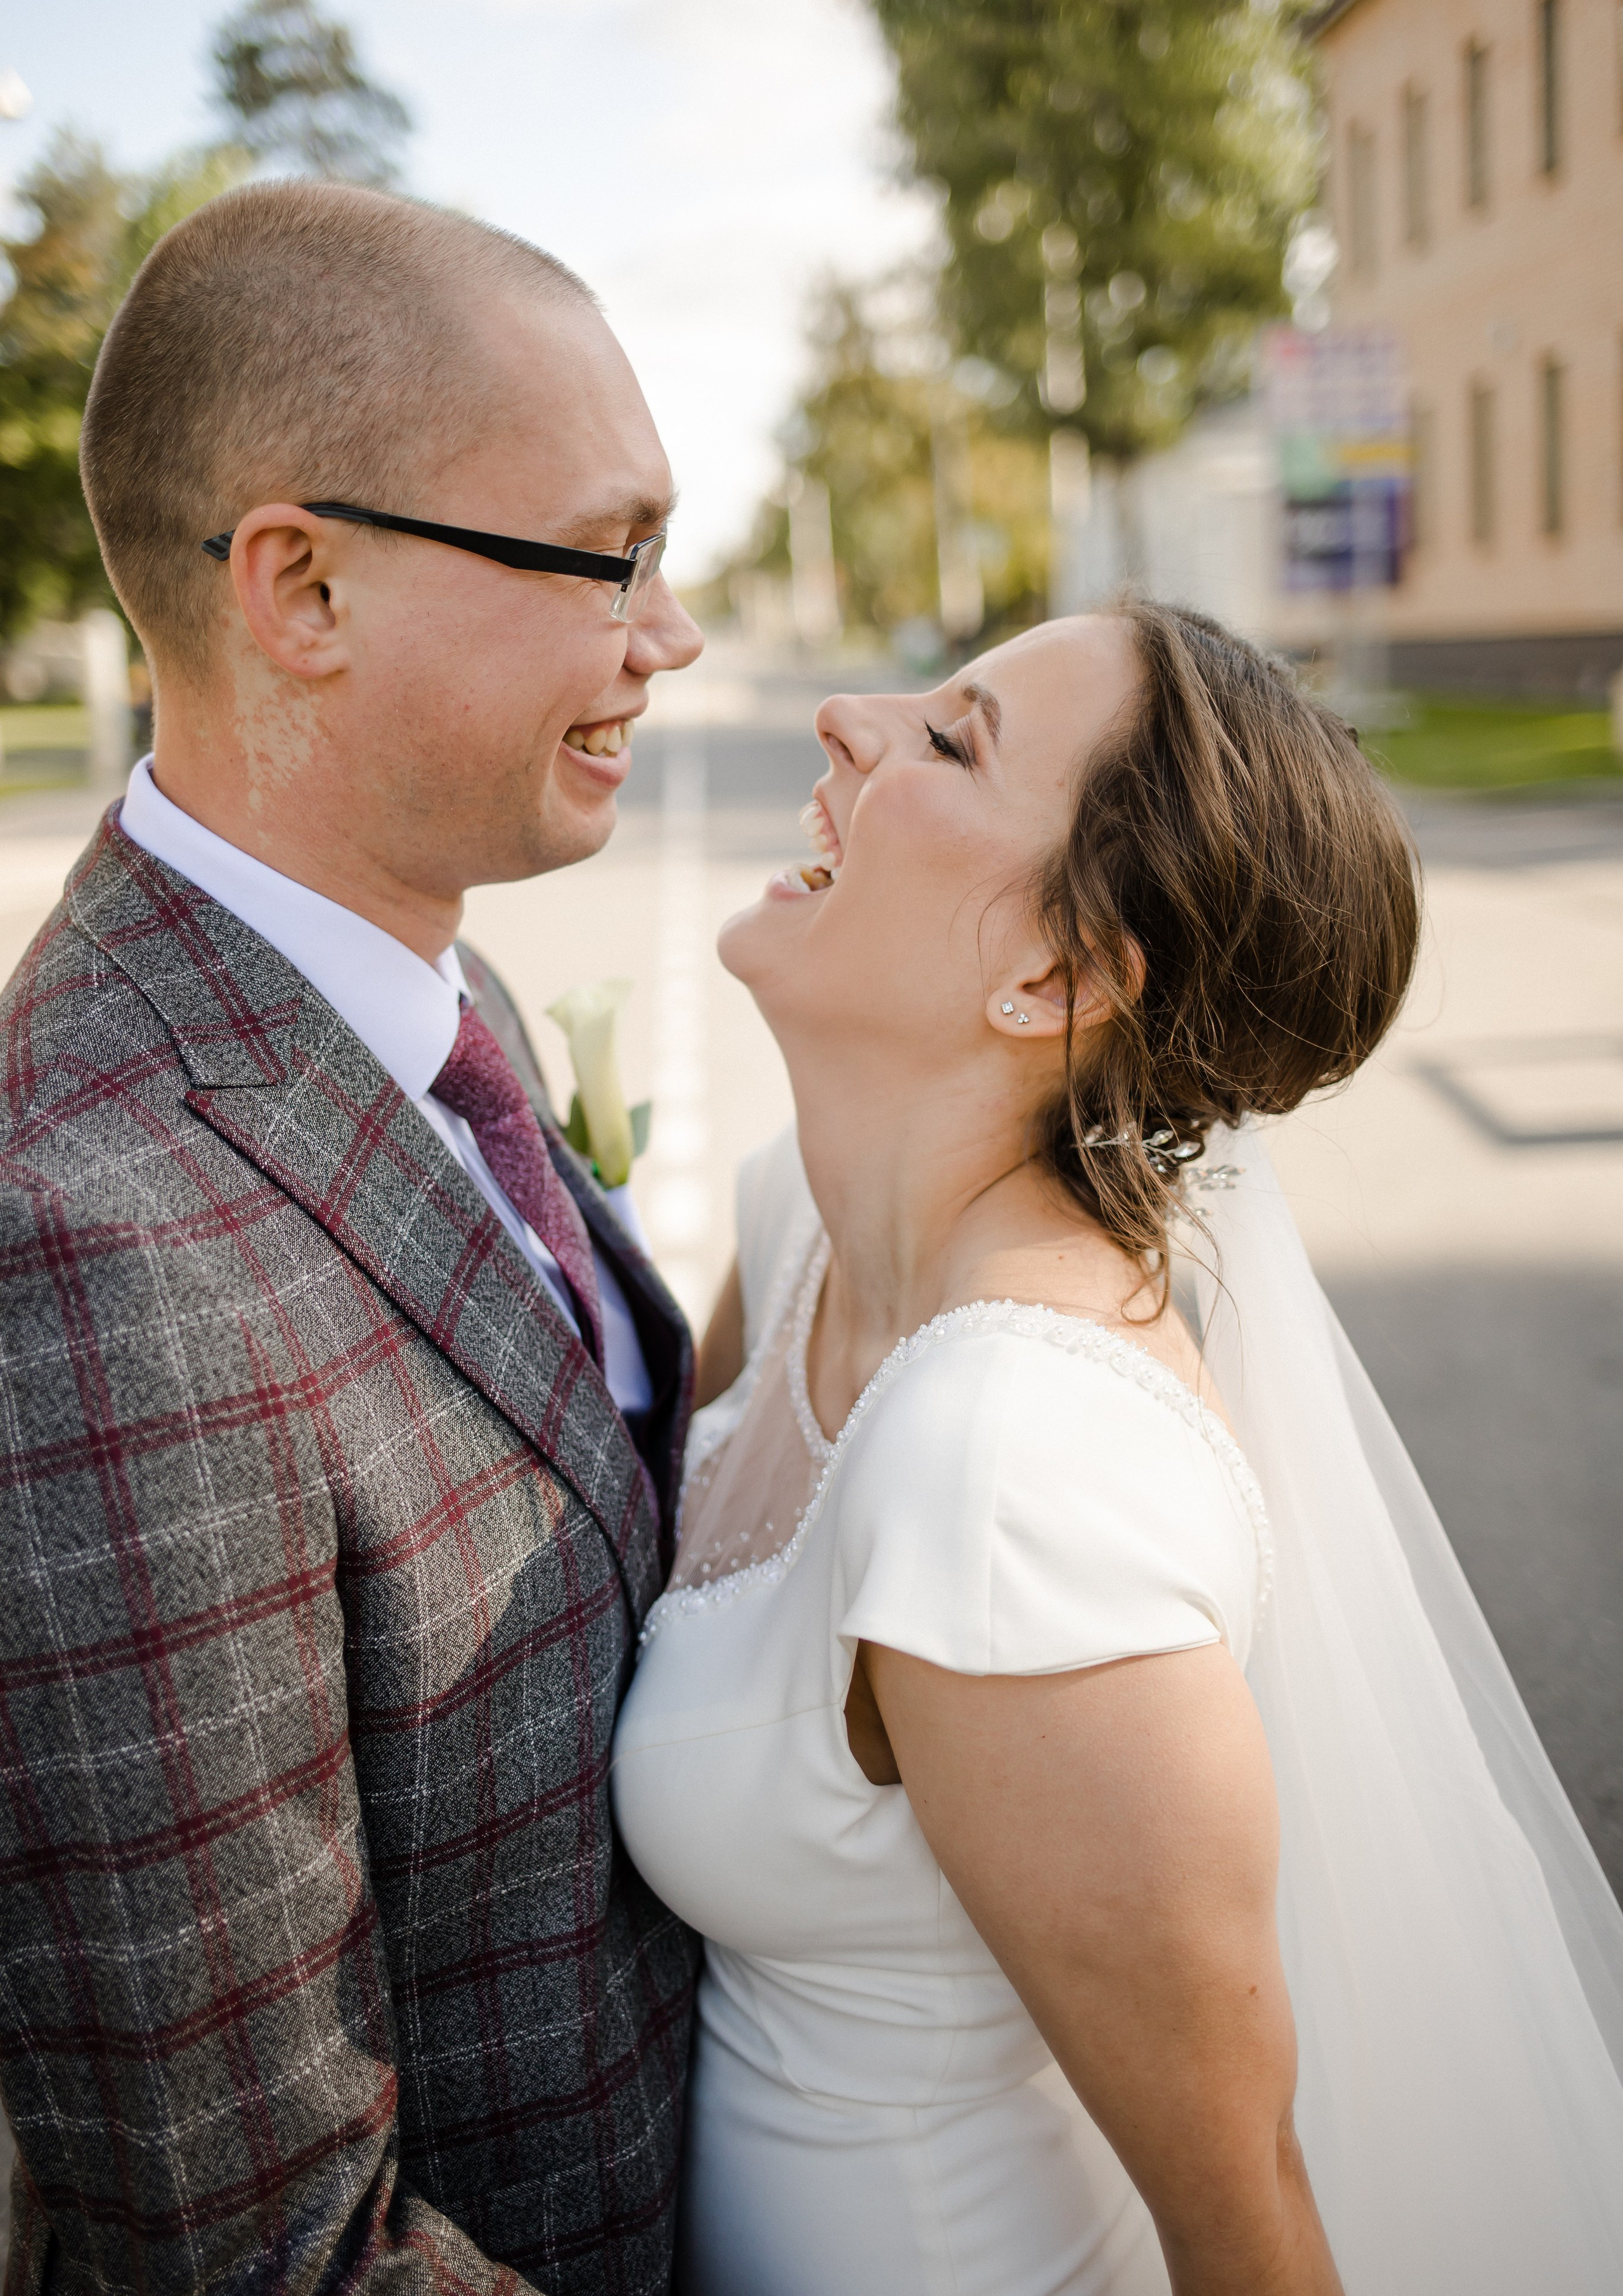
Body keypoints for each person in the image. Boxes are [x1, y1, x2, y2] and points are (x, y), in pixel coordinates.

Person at [612, 604, 1623, 2295]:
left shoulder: (1011, 1467)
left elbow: (1247, 2218)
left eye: (949, 738)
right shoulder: (803, 1219)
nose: (847, 720)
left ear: (1058, 977)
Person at [0, 182, 704, 2293]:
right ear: (297, 588)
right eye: (608, 555)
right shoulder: (90, 1250)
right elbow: (259, 2249)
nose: (663, 637)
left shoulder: (433, 994)